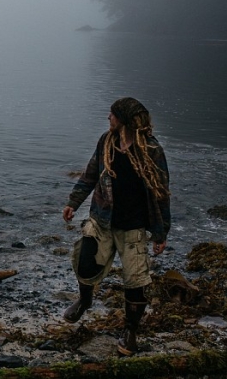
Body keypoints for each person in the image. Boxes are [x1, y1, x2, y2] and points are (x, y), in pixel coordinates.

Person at [61, 97, 171, 356]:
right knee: (85, 261)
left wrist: (160, 232)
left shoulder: (152, 151)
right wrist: (73, 203)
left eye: (111, 115)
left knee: (135, 281)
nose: (108, 118)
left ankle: (130, 332)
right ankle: (85, 300)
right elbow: (89, 174)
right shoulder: (107, 142)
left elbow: (161, 192)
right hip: (102, 219)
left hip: (133, 226)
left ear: (123, 120)